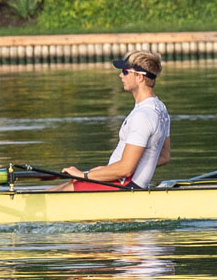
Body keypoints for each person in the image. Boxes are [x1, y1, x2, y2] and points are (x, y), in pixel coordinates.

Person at [64, 52, 171, 190]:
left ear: (139, 77)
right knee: (69, 184)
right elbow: (163, 156)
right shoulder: (161, 109)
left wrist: (83, 175)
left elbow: (126, 169)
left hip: (123, 185)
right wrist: (102, 171)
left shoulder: (142, 116)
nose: (121, 75)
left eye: (125, 71)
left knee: (67, 188)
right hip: (125, 181)